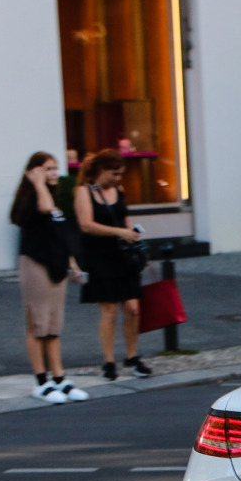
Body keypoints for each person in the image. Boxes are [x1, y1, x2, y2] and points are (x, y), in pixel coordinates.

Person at [10, 152, 90, 404]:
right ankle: (41, 381)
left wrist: (72, 263)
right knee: (38, 324)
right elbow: (43, 209)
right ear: (33, 172)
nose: (54, 173)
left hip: (57, 265)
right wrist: (37, 183)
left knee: (54, 326)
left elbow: (60, 235)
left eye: (55, 168)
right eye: (47, 169)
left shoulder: (52, 199)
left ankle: (59, 378)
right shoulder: (33, 199)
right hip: (35, 264)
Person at [75, 149, 152, 380]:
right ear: (101, 170)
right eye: (114, 173)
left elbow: (125, 220)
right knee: (108, 310)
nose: (118, 178)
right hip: (100, 256)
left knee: (133, 309)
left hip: (122, 256)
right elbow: (86, 225)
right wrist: (120, 232)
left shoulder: (118, 190)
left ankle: (132, 356)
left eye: (120, 174)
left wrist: (133, 239)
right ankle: (109, 361)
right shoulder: (83, 191)